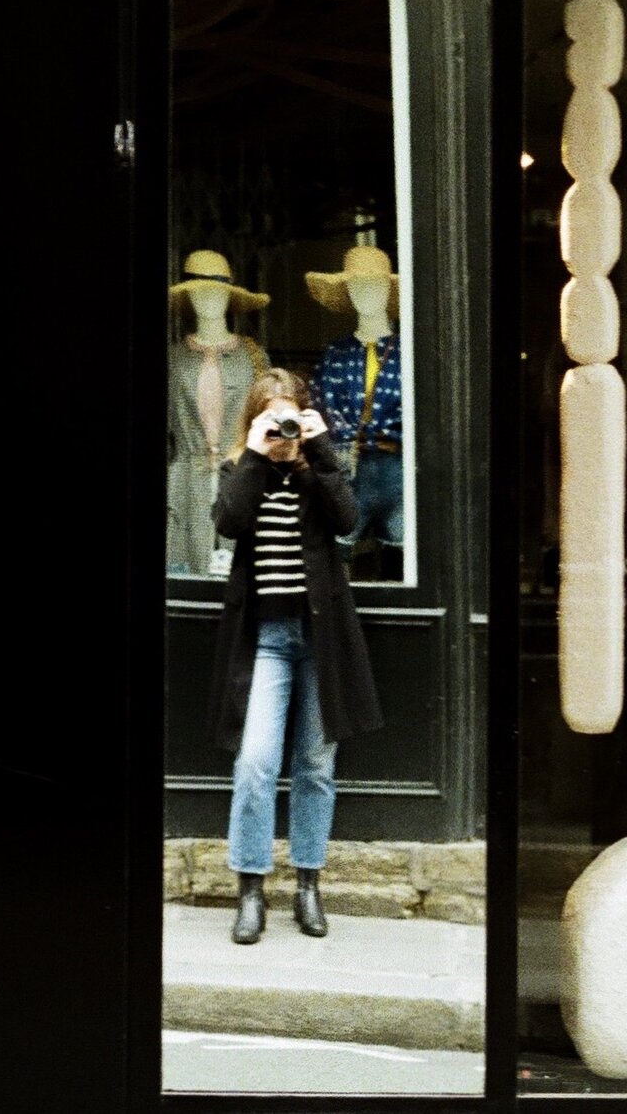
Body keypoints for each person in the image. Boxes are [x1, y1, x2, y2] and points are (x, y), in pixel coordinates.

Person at [208, 367, 384, 944]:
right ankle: (251, 891)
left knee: (314, 766)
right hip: (266, 641)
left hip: (321, 642)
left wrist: (320, 447)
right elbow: (229, 523)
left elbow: (350, 521)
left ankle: (308, 886)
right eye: (272, 418)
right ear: (256, 421)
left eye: (290, 416)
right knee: (255, 763)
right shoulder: (244, 471)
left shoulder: (320, 472)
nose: (283, 430)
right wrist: (258, 454)